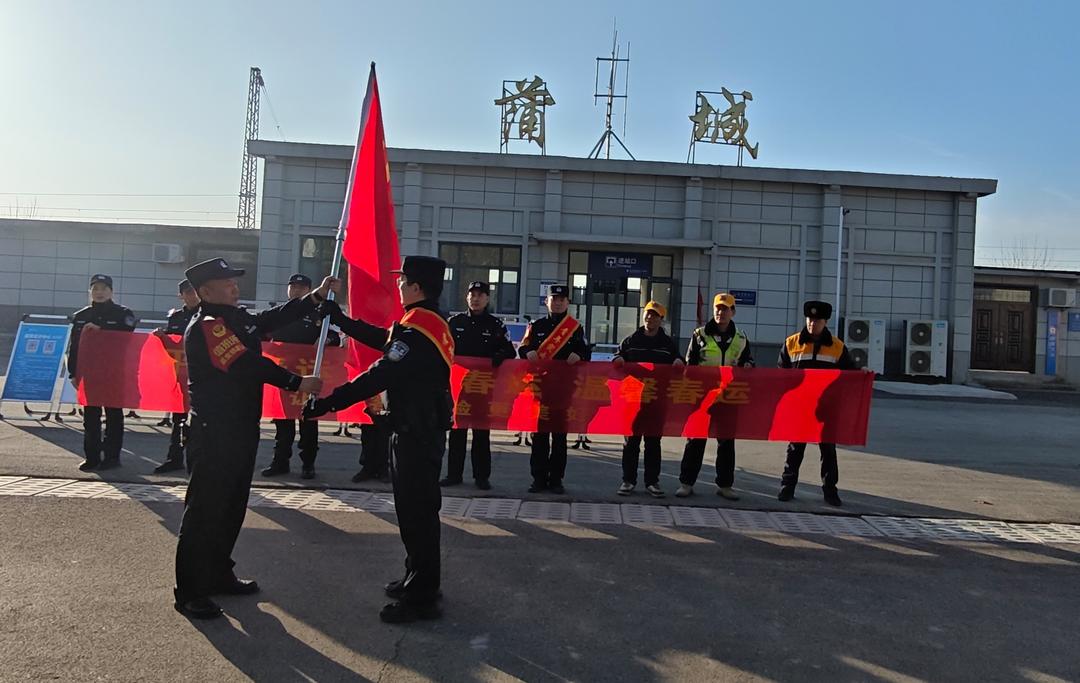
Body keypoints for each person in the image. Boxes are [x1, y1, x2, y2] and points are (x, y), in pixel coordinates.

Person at [172, 257, 332, 620]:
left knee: (231, 506)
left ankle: (218, 572)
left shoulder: (236, 317)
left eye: (234, 281)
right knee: (204, 512)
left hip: (240, 429)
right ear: (206, 290)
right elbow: (246, 363)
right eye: (226, 282)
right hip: (214, 433)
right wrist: (296, 382)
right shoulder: (209, 326)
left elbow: (268, 320)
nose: (234, 286)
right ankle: (190, 591)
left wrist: (315, 299)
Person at [307, 255, 454, 624]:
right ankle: (416, 578)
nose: (399, 286)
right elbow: (382, 339)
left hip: (416, 432)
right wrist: (339, 318)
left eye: (403, 281)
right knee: (414, 512)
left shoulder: (418, 329)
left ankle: (422, 597)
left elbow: (379, 373)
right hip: (417, 429)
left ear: (417, 287)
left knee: (417, 514)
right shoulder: (426, 323)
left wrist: (330, 402)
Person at [777, 300, 856, 507]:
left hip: (826, 409)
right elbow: (780, 375)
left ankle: (830, 491)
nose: (813, 323)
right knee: (795, 449)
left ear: (825, 321)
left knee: (828, 451)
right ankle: (787, 487)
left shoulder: (837, 347)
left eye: (818, 320)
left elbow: (850, 374)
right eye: (810, 319)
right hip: (800, 407)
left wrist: (862, 373)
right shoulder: (791, 343)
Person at [262, 273, 341, 480]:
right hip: (283, 375)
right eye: (292, 286)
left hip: (308, 375)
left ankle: (308, 464)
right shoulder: (278, 314)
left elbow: (334, 337)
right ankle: (280, 462)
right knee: (282, 421)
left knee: (308, 420)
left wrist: (325, 341)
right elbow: (261, 336)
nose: (295, 290)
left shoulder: (318, 313)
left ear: (308, 290)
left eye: (300, 287)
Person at [675, 292, 754, 499]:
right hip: (702, 398)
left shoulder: (742, 338)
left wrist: (748, 365)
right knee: (695, 440)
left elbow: (750, 363)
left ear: (733, 312)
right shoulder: (699, 335)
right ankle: (686, 483)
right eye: (718, 308)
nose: (721, 312)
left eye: (725, 309)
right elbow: (689, 365)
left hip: (728, 398)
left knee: (726, 442)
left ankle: (725, 485)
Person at [442, 281, 515, 490]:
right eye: (472, 294)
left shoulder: (496, 325)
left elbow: (509, 351)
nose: (476, 298)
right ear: (467, 298)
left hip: (483, 388)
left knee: (481, 434)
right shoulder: (454, 322)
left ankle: (481, 477)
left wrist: (499, 356)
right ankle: (453, 475)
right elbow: (442, 347)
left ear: (487, 299)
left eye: (481, 295)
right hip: (458, 387)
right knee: (457, 432)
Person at [518, 284, 587, 495]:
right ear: (546, 301)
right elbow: (523, 347)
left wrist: (580, 355)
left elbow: (586, 351)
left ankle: (556, 480)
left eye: (561, 300)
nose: (557, 303)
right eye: (553, 299)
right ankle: (538, 479)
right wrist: (528, 351)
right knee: (539, 436)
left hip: (564, 390)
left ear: (567, 303)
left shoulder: (575, 328)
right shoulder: (536, 326)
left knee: (559, 437)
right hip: (540, 389)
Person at [67, 274, 138, 472]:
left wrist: (102, 329)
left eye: (104, 289)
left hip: (115, 372)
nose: (99, 293)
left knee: (114, 415)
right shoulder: (81, 316)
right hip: (89, 374)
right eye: (95, 289)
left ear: (111, 292)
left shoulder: (123, 314)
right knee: (90, 416)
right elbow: (74, 347)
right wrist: (73, 372)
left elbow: (128, 335)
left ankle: (112, 457)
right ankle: (91, 457)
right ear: (90, 291)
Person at [613, 301, 682, 498]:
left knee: (653, 442)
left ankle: (652, 482)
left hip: (656, 399)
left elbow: (678, 361)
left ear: (661, 319)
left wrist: (679, 361)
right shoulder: (631, 340)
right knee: (631, 441)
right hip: (633, 399)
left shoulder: (667, 343)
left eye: (654, 315)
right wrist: (617, 360)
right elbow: (618, 357)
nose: (650, 318)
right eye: (647, 314)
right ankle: (628, 481)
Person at [153, 279, 201, 473]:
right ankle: (174, 457)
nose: (192, 295)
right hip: (180, 376)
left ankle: (197, 459)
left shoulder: (208, 314)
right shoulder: (176, 317)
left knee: (200, 420)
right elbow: (171, 344)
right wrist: (161, 337)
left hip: (201, 377)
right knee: (178, 418)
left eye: (194, 291)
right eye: (188, 292)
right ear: (181, 295)